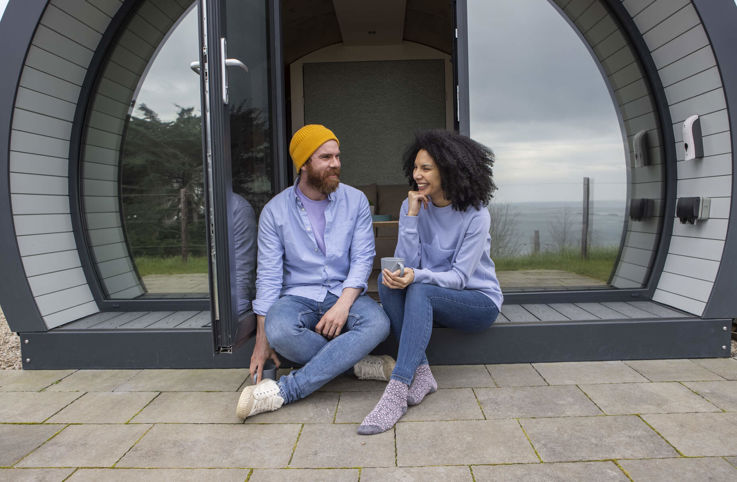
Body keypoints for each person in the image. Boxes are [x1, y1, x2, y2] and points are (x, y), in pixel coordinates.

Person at [237, 124, 392, 420]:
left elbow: (363, 259)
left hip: (343, 291)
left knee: (378, 324)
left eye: (338, 156)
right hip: (297, 297)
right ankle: (357, 364)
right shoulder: (274, 211)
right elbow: (268, 276)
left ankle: (284, 391)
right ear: (304, 163)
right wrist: (261, 343)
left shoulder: (356, 200)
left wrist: (343, 305)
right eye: (325, 157)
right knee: (279, 329)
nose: (336, 164)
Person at [358, 129, 503, 435]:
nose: (417, 175)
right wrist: (410, 217)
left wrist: (417, 276)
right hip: (433, 294)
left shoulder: (476, 215)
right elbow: (403, 265)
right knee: (387, 283)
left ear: (448, 169)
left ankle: (397, 392)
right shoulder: (412, 206)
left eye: (426, 168)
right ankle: (422, 373)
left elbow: (461, 278)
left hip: (477, 301)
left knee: (420, 288)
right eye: (415, 168)